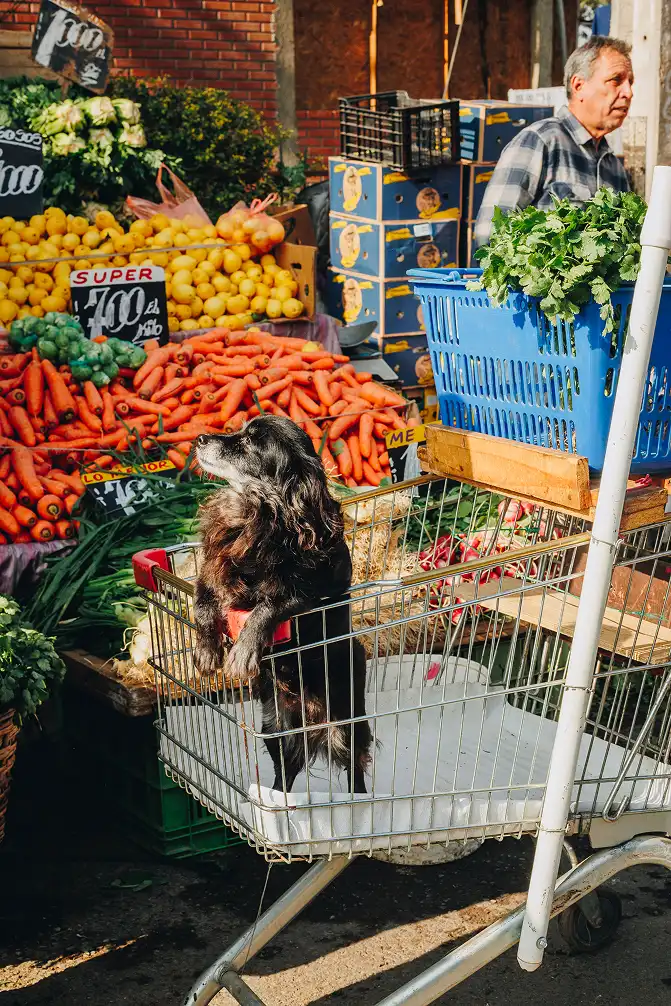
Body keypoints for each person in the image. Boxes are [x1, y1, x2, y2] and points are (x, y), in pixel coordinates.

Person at [474, 36, 633, 248]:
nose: (628, 93)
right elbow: (491, 235)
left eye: (630, 82)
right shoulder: (539, 142)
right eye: (616, 80)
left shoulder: (614, 168)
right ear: (579, 86)